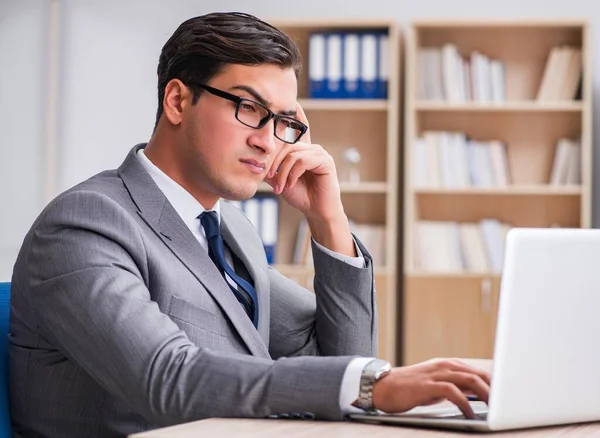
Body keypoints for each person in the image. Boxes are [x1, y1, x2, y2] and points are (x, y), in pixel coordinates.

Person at [8, 11, 490, 438]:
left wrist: (327, 219)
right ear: (177, 101)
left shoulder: (229, 229)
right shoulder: (85, 225)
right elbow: (167, 378)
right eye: (250, 109)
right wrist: (373, 385)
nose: (268, 141)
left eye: (283, 121)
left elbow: (337, 357)